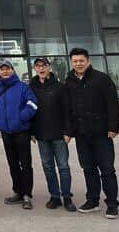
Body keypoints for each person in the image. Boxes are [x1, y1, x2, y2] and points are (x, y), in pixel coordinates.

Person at [64, 48, 119, 219]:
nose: (78, 64)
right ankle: (92, 200)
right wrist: (69, 131)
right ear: (71, 62)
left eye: (81, 61)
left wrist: (113, 127)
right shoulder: (69, 81)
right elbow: (68, 108)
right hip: (81, 134)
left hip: (101, 133)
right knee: (88, 168)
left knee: (107, 169)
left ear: (88, 61)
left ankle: (112, 204)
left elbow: (112, 104)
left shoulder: (101, 79)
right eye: (75, 61)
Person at [0, 59, 38, 210]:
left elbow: (33, 104)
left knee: (25, 163)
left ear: (12, 70)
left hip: (21, 131)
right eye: (2, 69)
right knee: (13, 163)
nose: (4, 71)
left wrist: (21, 117)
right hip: (6, 132)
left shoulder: (23, 87)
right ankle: (18, 191)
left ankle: (27, 194)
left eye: (7, 68)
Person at [29, 57, 76, 212]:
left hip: (59, 134)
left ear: (49, 68)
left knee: (63, 166)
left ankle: (67, 197)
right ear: (34, 69)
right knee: (48, 167)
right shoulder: (31, 87)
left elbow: (67, 110)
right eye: (38, 66)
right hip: (41, 135)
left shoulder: (60, 87)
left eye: (44, 65)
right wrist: (32, 131)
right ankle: (54, 196)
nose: (41, 68)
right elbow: (30, 111)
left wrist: (68, 131)